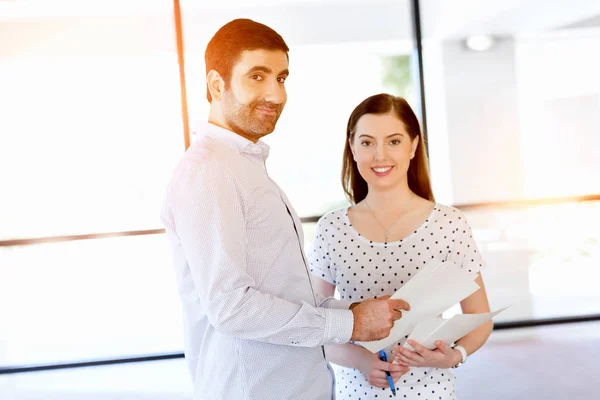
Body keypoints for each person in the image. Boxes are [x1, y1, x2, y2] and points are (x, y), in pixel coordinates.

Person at [160, 20, 410, 400]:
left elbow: (283, 293)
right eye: (257, 76)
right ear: (216, 85)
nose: (275, 95)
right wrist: (349, 323)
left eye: (281, 78)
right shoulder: (209, 172)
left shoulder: (244, 166)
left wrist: (355, 310)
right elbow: (231, 308)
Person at [308, 93, 493, 400]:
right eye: (367, 143)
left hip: (433, 391)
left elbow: (479, 318)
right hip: (357, 392)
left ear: (413, 146)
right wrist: (362, 361)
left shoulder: (449, 223)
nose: (380, 155)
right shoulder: (331, 228)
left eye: (393, 141)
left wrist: (455, 355)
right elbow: (316, 326)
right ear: (352, 148)